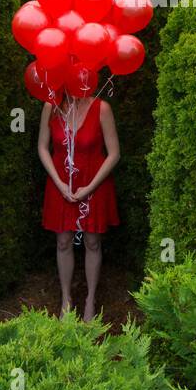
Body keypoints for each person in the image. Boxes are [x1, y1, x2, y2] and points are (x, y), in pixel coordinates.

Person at [38, 92, 120, 321]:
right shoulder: (51, 105)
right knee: (63, 241)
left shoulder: (102, 108)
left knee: (92, 241)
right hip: (60, 182)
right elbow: (43, 148)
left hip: (95, 183)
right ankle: (66, 298)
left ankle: (90, 299)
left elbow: (114, 154)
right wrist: (58, 182)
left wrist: (90, 188)